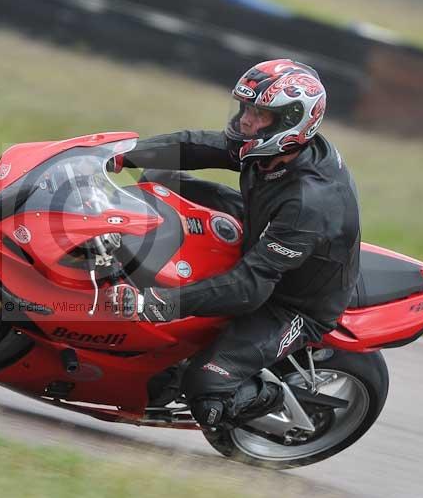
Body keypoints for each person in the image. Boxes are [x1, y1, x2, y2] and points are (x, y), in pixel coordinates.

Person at [106, 59, 361, 428]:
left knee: (205, 386)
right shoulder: (270, 149)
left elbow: (250, 288)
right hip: (260, 226)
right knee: (157, 181)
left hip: (290, 304)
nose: (245, 120)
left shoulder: (311, 202)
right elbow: (197, 146)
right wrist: (123, 153)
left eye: (259, 114)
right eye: (246, 108)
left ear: (291, 122)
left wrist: (161, 304)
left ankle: (267, 400)